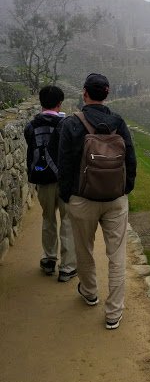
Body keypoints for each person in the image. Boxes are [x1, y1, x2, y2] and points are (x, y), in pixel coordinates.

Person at [58, 73, 137, 329]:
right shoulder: (118, 122)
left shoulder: (71, 124)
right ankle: (114, 312)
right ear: (108, 93)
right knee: (117, 256)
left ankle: (90, 292)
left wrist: (67, 195)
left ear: (84, 93)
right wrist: (125, 188)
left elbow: (65, 164)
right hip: (115, 198)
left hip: (83, 198)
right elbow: (131, 159)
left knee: (84, 249)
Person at [24, 85, 77, 282]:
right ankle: (67, 267)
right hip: (65, 181)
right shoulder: (69, 124)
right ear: (59, 103)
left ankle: (48, 260)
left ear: (41, 103)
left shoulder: (31, 126)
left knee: (48, 219)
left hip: (43, 179)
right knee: (68, 222)